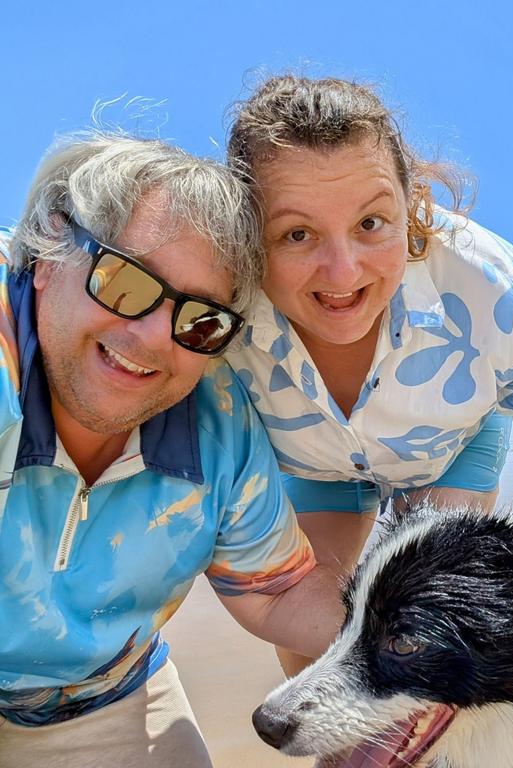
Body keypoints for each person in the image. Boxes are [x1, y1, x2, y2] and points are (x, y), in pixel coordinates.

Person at [225, 75, 513, 618]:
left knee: (429, 601)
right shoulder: (218, 302)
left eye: (371, 223)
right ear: (247, 233)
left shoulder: (479, 280)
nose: (343, 271)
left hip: (453, 444)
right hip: (317, 465)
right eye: (297, 234)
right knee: (317, 620)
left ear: (412, 206)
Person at [0, 134, 343, 768]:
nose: (154, 337)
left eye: (200, 319)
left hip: (107, 693)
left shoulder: (220, 421)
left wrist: (426, 630)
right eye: (125, 282)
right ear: (48, 253)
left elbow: (278, 592)